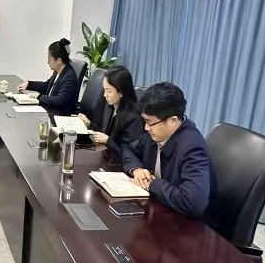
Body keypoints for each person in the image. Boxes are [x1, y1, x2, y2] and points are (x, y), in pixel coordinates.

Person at [122, 82, 214, 218]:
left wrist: (152, 184)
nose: (146, 128)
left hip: (184, 224)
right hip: (158, 209)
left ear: (173, 121)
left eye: (150, 122)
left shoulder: (192, 147)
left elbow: (193, 202)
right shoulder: (154, 134)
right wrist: (137, 169)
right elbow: (128, 149)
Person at [79, 65, 144, 157]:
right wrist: (89, 124)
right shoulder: (110, 105)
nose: (105, 95)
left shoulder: (134, 119)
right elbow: (106, 134)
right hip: (106, 156)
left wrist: (107, 141)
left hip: (119, 163)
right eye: (104, 89)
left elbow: (130, 154)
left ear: (121, 92)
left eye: (109, 91)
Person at [18, 38, 78, 115]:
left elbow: (60, 100)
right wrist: (29, 84)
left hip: (59, 115)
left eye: (49, 59)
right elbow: (47, 86)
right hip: (50, 110)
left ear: (59, 61)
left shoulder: (69, 77)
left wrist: (39, 96)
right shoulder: (58, 72)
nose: (48, 62)